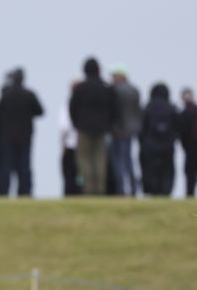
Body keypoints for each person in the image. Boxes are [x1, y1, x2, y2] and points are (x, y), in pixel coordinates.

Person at [0, 68, 44, 196]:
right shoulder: (29, 95)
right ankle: (25, 192)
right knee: (24, 167)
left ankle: (3, 193)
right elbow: (40, 111)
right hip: (24, 137)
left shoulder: (6, 95)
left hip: (7, 138)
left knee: (6, 167)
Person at [69, 57, 114, 195]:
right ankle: (100, 188)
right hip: (101, 129)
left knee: (83, 159)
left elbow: (72, 108)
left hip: (83, 128)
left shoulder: (80, 88)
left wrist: (77, 124)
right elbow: (114, 109)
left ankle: (88, 189)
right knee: (100, 158)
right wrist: (108, 125)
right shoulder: (106, 87)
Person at [108, 64, 142, 196]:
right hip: (131, 130)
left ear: (118, 76)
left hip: (118, 130)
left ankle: (121, 189)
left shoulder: (114, 90)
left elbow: (115, 112)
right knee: (129, 160)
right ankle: (133, 188)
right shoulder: (134, 90)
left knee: (118, 161)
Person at [139, 83, 178, 196]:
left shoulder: (148, 107)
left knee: (150, 169)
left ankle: (152, 190)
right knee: (167, 169)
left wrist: (143, 141)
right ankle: (166, 190)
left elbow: (142, 127)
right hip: (167, 145)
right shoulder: (172, 108)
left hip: (150, 144)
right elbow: (177, 126)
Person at [179, 88, 197, 197]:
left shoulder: (185, 113)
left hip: (194, 148)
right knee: (196, 174)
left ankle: (191, 194)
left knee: (192, 174)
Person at [59, 81, 80, 196]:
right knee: (81, 175)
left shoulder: (67, 105)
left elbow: (64, 127)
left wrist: (63, 144)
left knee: (69, 174)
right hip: (83, 145)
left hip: (70, 144)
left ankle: (69, 195)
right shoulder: (86, 105)